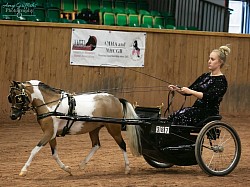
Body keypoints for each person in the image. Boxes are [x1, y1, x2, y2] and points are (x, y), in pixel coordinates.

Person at [167, 45, 231, 126]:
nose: (209, 61)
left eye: (212, 59)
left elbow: (209, 97)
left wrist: (190, 91)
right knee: (172, 117)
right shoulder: (205, 76)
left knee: (180, 117)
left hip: (208, 112)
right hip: (196, 109)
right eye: (209, 58)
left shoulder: (221, 81)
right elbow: (190, 90)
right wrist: (176, 89)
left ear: (220, 62)